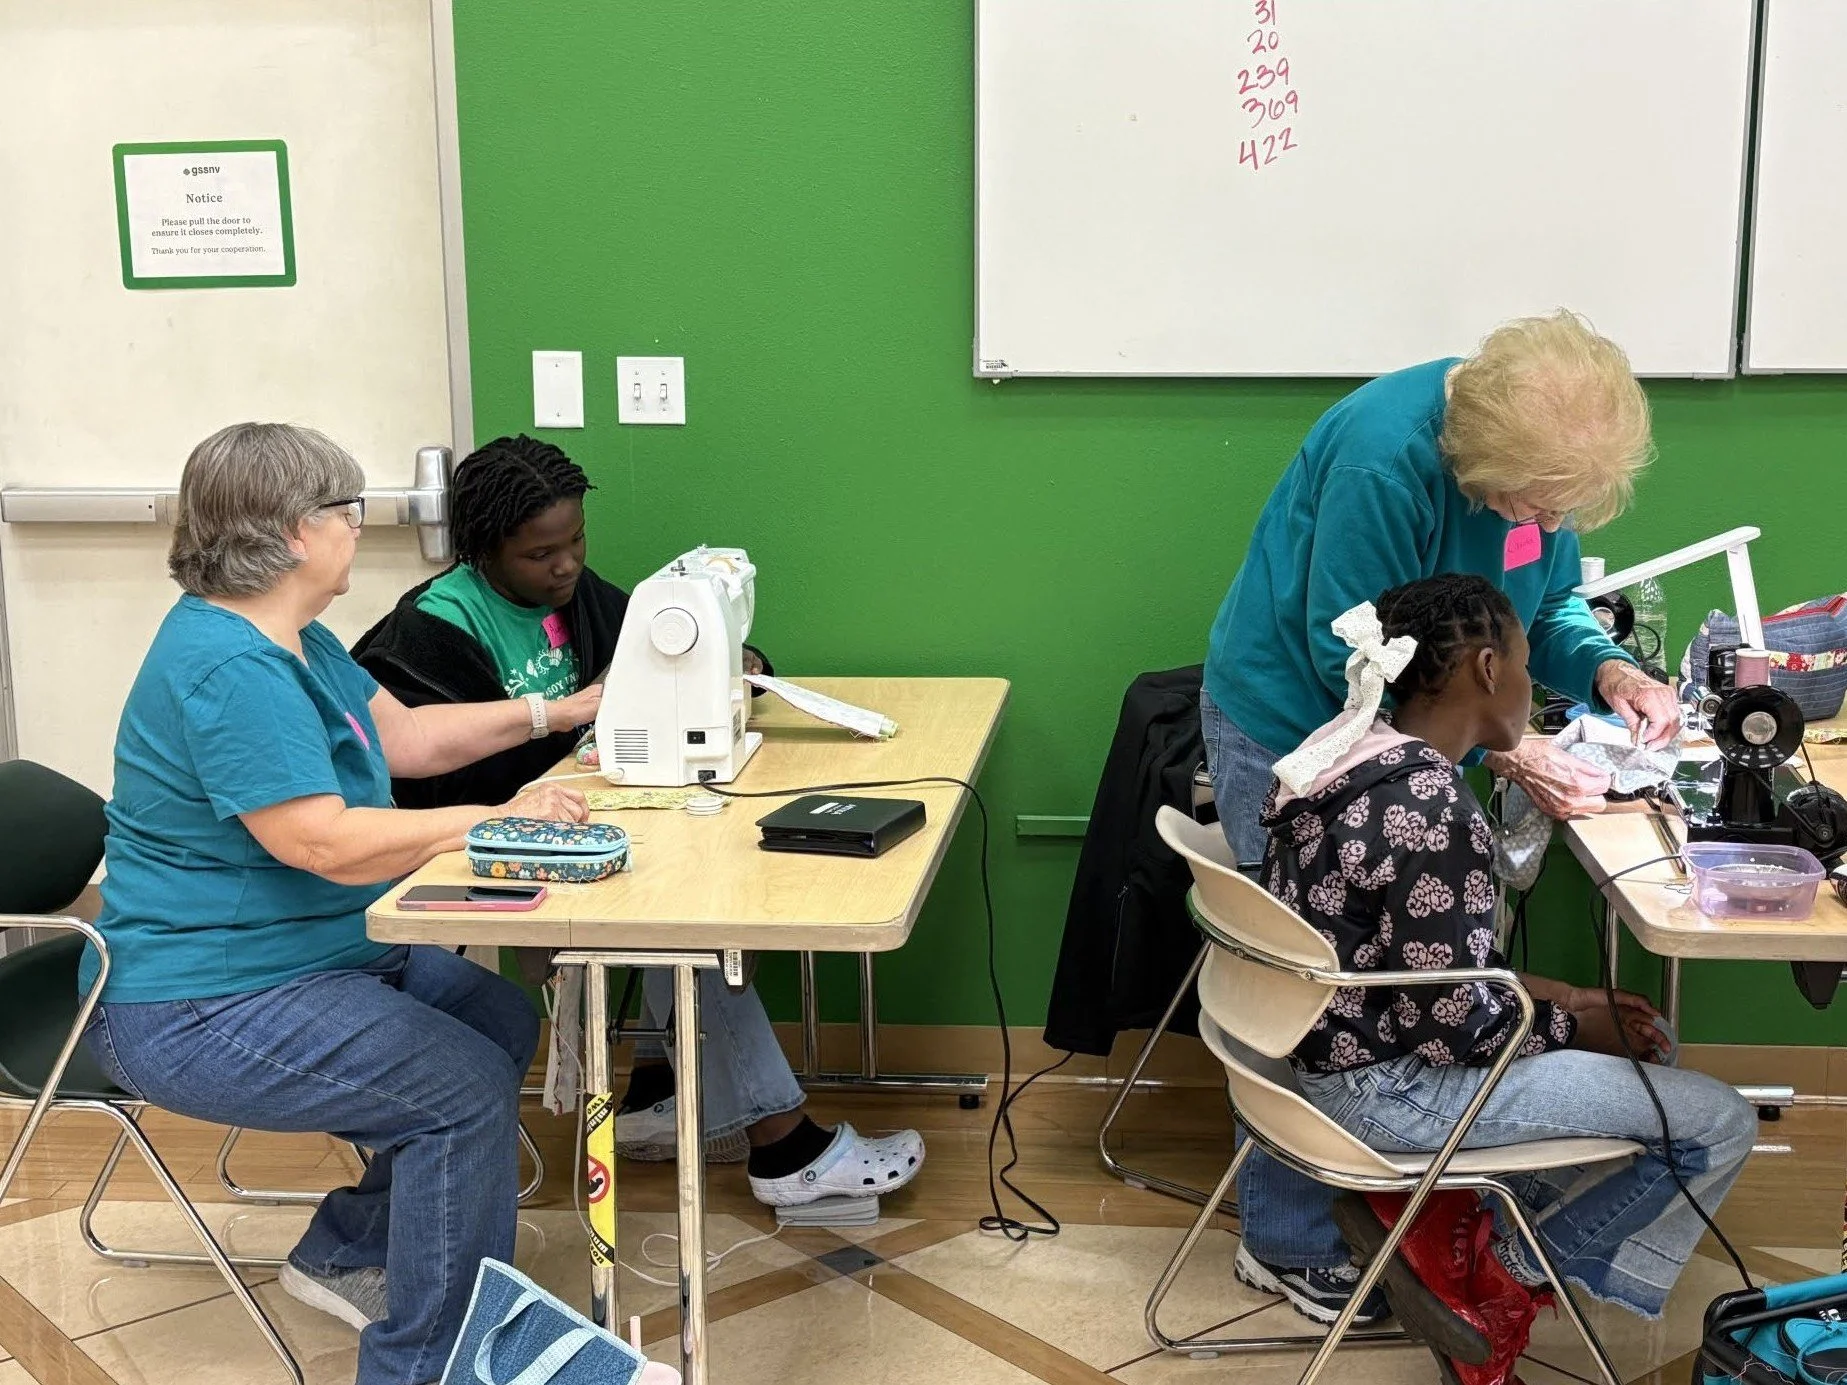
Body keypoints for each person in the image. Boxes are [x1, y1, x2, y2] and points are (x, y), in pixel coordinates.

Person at [79, 423, 594, 1385]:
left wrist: (557, 713)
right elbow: (320, 840)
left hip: (297, 958)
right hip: (197, 1002)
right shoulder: (230, 668)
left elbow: (406, 741)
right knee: (459, 1091)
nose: (360, 527)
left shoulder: (293, 637)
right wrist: (487, 824)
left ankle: (350, 1248)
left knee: (491, 1014)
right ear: (292, 532)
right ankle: (430, 1361)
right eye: (346, 510)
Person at [1200, 310, 1685, 1320]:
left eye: (1562, 511)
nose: (1542, 524)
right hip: (1295, 722)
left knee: (1389, 972)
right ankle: (1284, 1239)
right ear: (1474, 457)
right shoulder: (1386, 462)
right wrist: (1513, 745)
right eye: (1529, 504)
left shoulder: (1533, 473)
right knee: (1313, 983)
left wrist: (1605, 668)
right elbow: (1360, 653)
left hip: (1411, 737)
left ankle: (1396, 1201)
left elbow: (1538, 607)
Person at [353, 434, 925, 1208]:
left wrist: (735, 658)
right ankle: (784, 1147)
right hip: (470, 850)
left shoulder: (575, 594)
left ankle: (660, 1089)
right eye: (539, 553)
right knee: (675, 915)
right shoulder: (426, 635)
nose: (565, 565)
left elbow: (658, 653)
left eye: (575, 540)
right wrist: (572, 721)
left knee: (690, 867)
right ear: (481, 552)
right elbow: (432, 769)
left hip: (573, 813)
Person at [1267, 576, 1755, 1384]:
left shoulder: (1344, 753)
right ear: (1489, 668)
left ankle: (1468, 1232)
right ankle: (1503, 1284)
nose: (1535, 688)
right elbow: (1451, 1025)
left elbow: (1419, 962)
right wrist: (1572, 1025)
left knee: (1638, 1067)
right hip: (1393, 1089)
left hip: (1328, 1058)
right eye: (1531, 667)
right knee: (1715, 1120)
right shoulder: (1433, 809)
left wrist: (1567, 998)